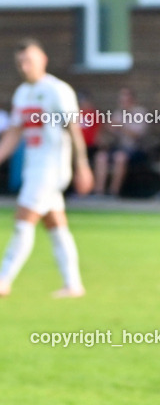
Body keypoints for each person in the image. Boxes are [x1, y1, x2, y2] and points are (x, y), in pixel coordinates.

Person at [0, 39, 92, 298]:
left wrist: (82, 165)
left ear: (43, 60)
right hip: (34, 166)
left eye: (29, 60)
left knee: (22, 221)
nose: (24, 66)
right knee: (56, 225)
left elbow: (73, 129)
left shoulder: (57, 90)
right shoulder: (22, 94)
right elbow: (14, 133)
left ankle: (3, 279)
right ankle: (73, 285)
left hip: (51, 167)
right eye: (20, 62)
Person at [94, 87, 148, 197]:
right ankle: (98, 192)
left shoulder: (140, 112)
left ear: (133, 100)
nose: (123, 103)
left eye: (126, 100)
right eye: (121, 100)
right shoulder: (118, 113)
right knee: (101, 157)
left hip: (135, 150)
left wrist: (120, 126)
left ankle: (114, 192)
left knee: (120, 157)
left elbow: (137, 135)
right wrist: (106, 130)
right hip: (118, 148)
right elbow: (110, 135)